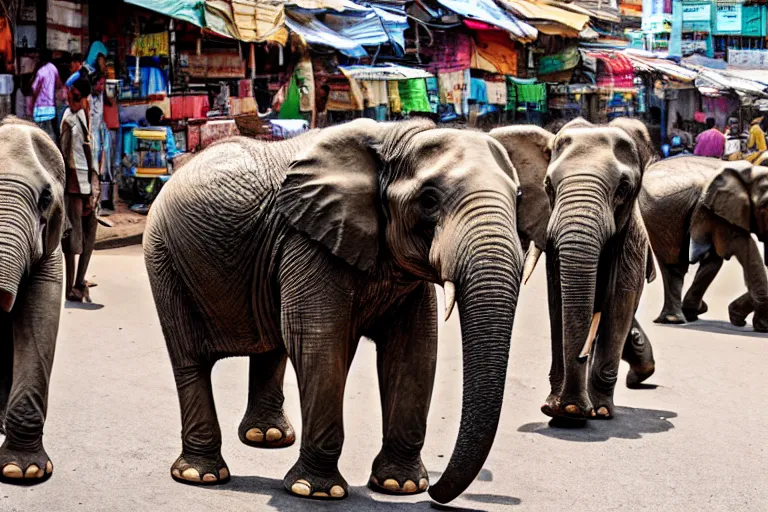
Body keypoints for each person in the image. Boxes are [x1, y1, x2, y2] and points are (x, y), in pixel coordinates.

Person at [60, 78, 98, 303]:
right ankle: (69, 287)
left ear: (84, 98)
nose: (71, 101)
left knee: (89, 235)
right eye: (70, 97)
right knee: (72, 237)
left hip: (90, 182)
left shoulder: (88, 116)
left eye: (75, 98)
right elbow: (64, 154)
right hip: (74, 183)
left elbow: (94, 149)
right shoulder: (68, 118)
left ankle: (79, 282)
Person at [29, 50, 62, 141]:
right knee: (50, 135)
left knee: (39, 135)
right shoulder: (53, 68)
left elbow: (35, 89)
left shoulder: (40, 71)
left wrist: (31, 105)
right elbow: (59, 84)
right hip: (51, 108)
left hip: (40, 109)